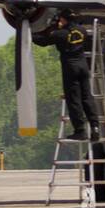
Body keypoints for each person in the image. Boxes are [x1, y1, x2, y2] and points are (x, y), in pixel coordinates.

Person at [36, 11, 100, 140]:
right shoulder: (82, 30)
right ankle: (95, 128)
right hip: (83, 66)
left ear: (63, 20)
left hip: (70, 68)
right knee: (87, 97)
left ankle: (80, 130)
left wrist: (28, 34)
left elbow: (43, 42)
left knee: (74, 99)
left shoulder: (60, 34)